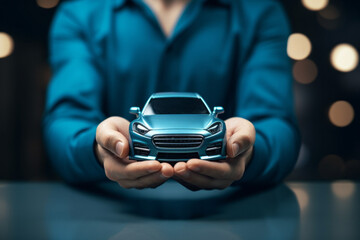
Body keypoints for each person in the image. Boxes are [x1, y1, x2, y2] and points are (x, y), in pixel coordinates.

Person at [43, 0, 300, 190]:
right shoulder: (78, 13)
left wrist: (250, 152)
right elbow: (65, 124)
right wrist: (97, 148)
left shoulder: (261, 11)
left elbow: (278, 126)